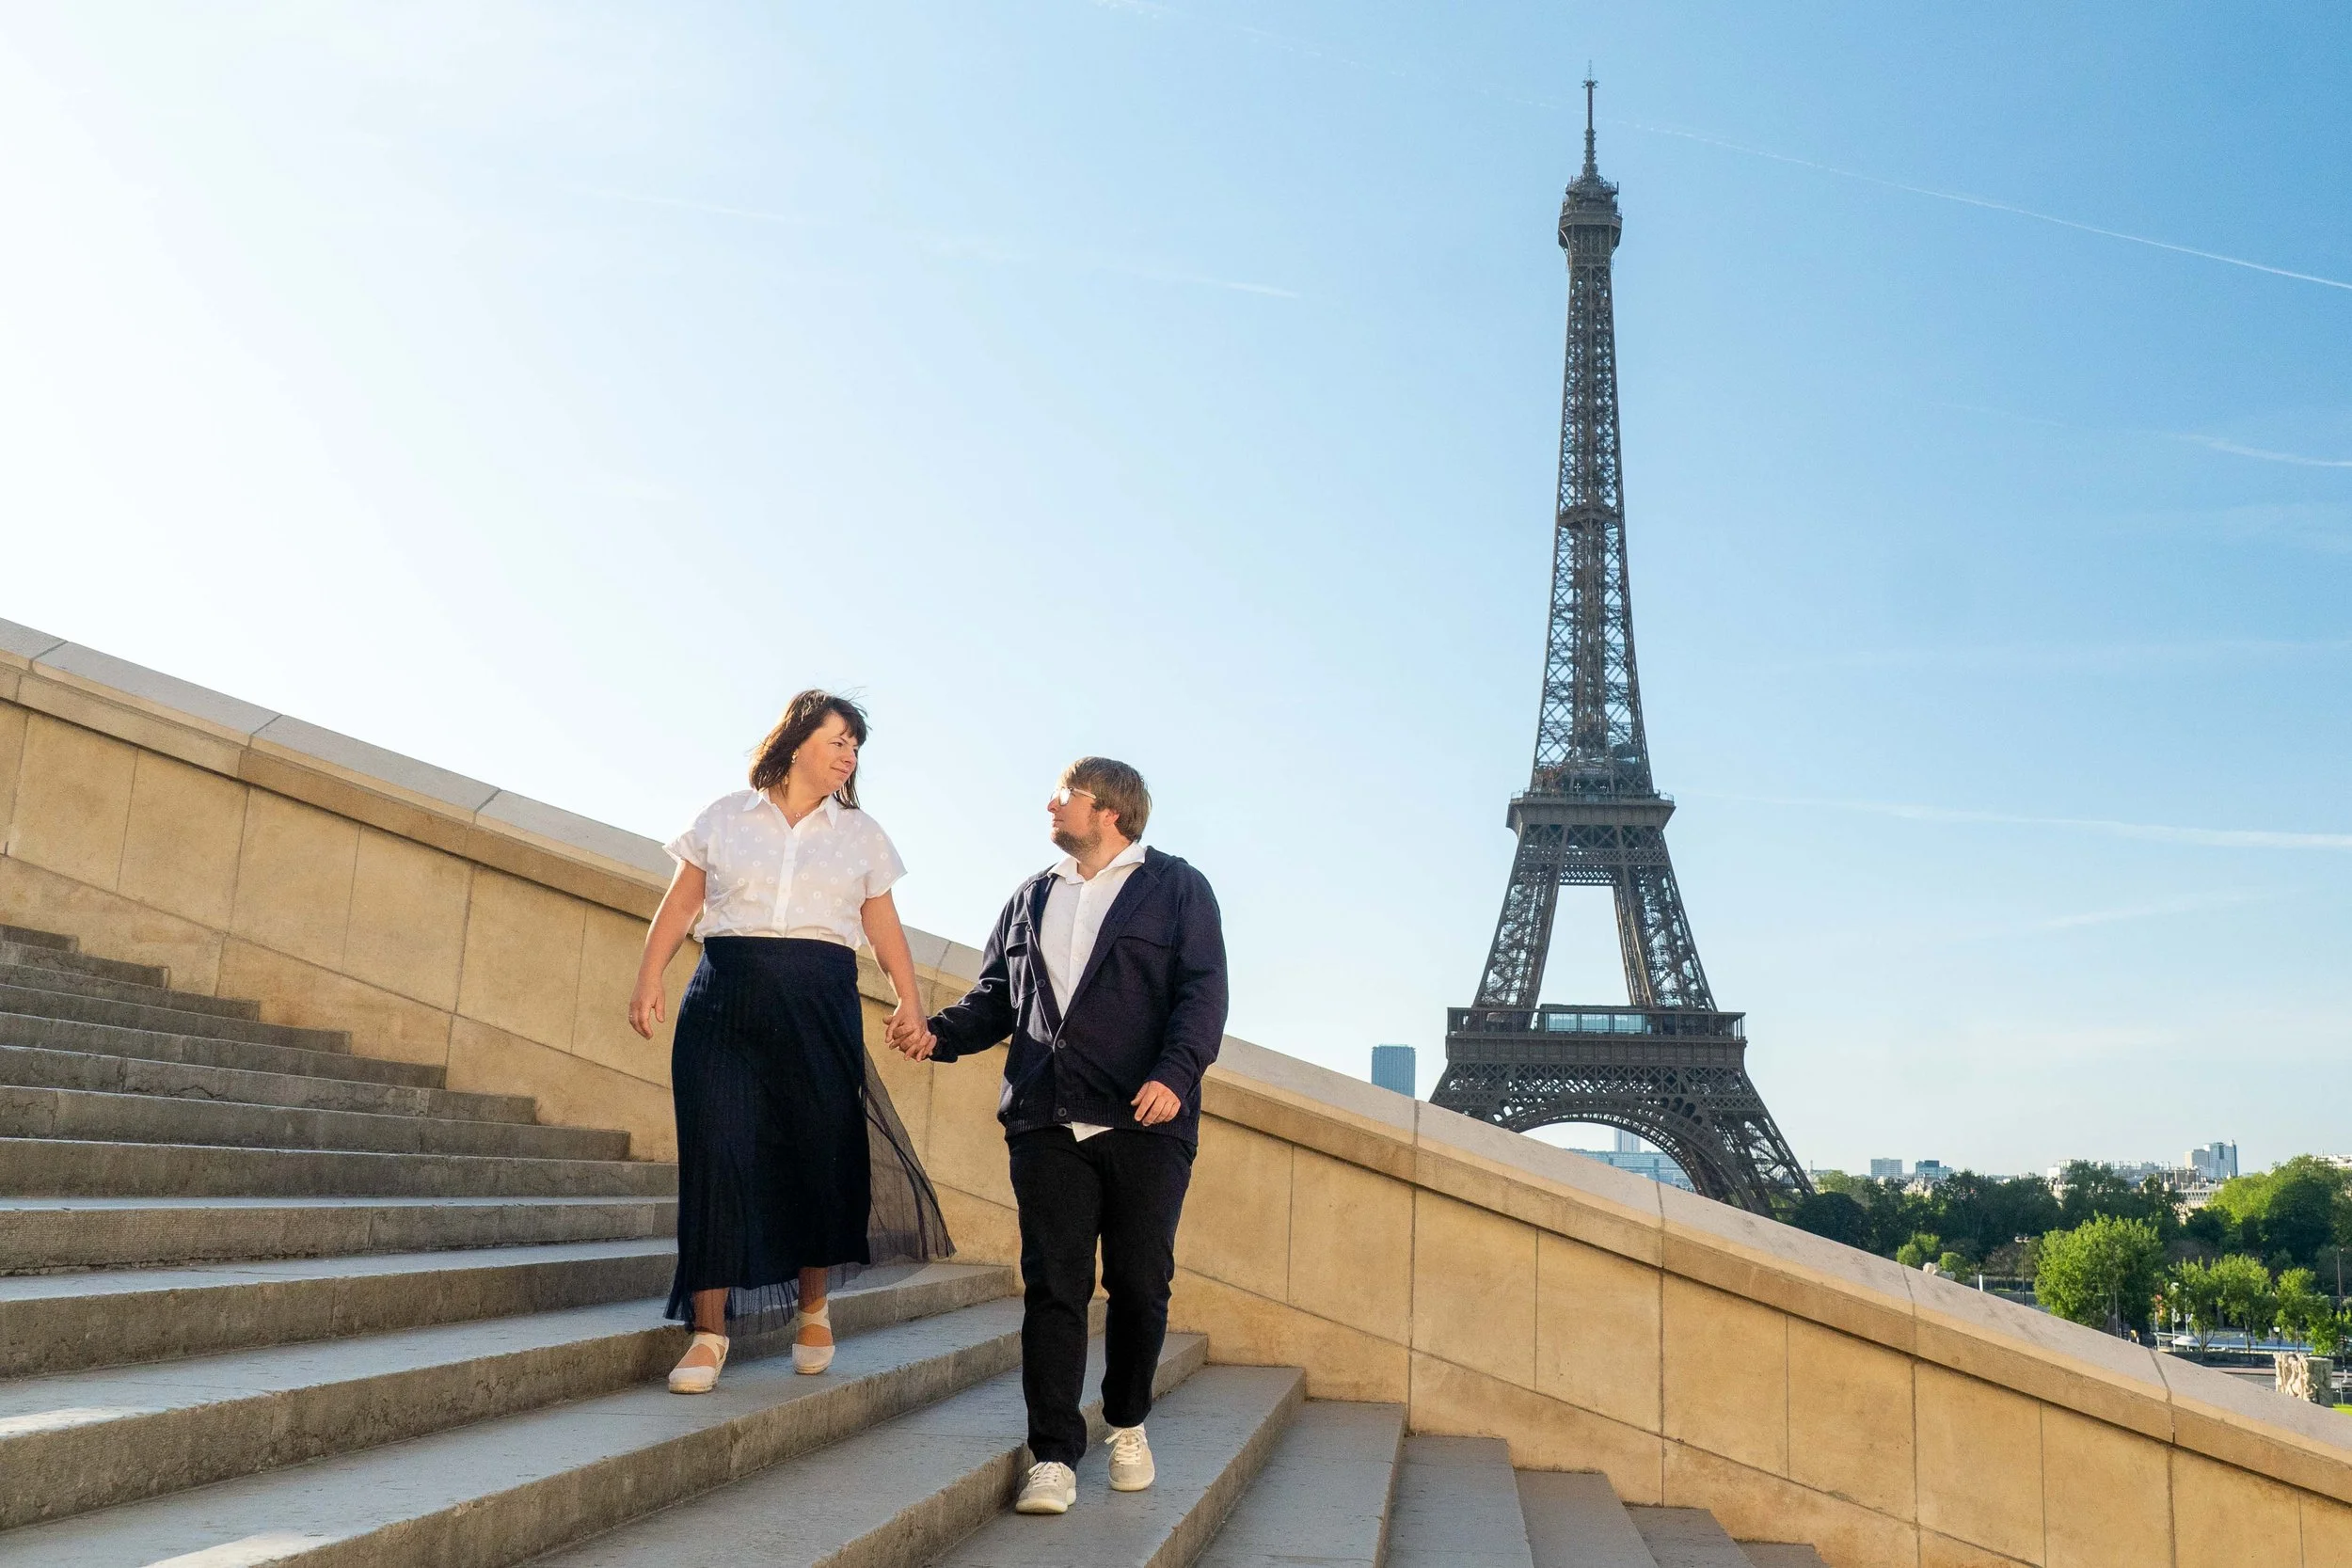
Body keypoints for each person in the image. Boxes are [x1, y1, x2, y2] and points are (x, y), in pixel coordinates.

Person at [889, 757, 1227, 1515]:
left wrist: (1174, 1075)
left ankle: (1129, 1419)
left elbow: (1204, 994)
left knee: (1140, 1284)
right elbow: (993, 1002)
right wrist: (934, 1036)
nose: (1050, 803)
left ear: (1109, 810)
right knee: (1054, 1286)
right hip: (1045, 1120)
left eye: (1064, 794)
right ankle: (1053, 1454)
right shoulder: (1029, 896)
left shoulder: (1178, 889)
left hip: (1148, 1122)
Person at [629, 690, 952, 1395]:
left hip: (818, 999)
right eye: (839, 740)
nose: (849, 756)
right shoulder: (724, 816)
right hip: (726, 999)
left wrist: (911, 998)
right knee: (717, 1156)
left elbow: (882, 923)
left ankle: (813, 1308)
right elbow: (682, 903)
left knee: (818, 1152)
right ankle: (709, 1332)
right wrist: (649, 977)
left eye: (855, 748)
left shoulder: (861, 833)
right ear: (798, 739)